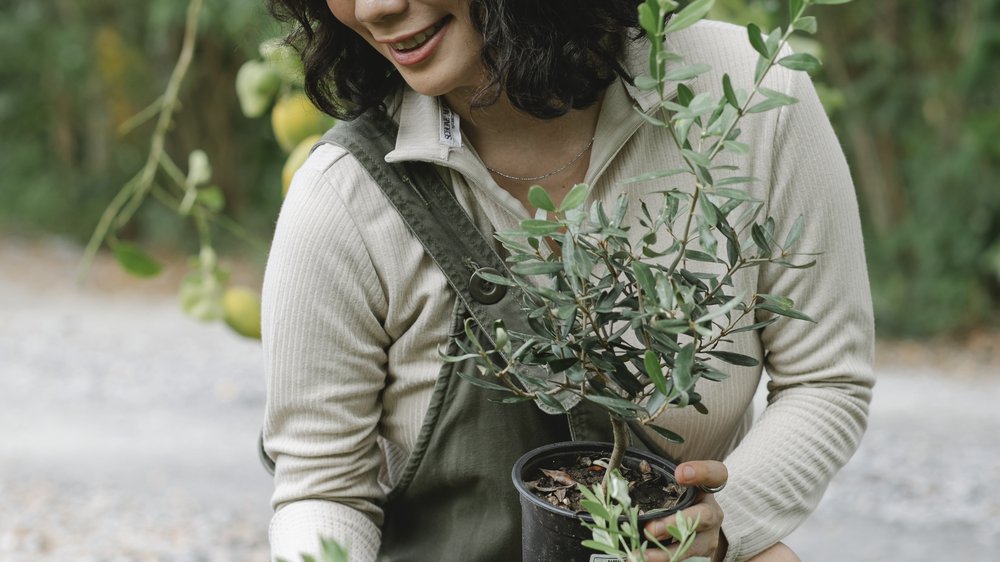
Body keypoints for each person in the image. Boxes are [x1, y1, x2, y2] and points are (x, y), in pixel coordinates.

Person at [259, 1, 875, 561]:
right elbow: (324, 488)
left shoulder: (747, 94)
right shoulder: (343, 196)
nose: (377, 8)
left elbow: (826, 379)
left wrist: (726, 527)